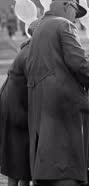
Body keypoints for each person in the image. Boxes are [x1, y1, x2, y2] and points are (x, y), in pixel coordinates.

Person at [26, 0, 89, 186]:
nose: (76, 19)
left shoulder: (40, 26)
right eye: (76, 12)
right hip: (63, 102)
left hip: (43, 99)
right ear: (67, 5)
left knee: (50, 158)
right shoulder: (63, 24)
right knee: (66, 161)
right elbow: (78, 62)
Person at [0, 20, 40, 186]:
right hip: (17, 107)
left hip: (13, 104)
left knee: (19, 156)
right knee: (20, 155)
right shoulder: (32, 52)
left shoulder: (28, 48)